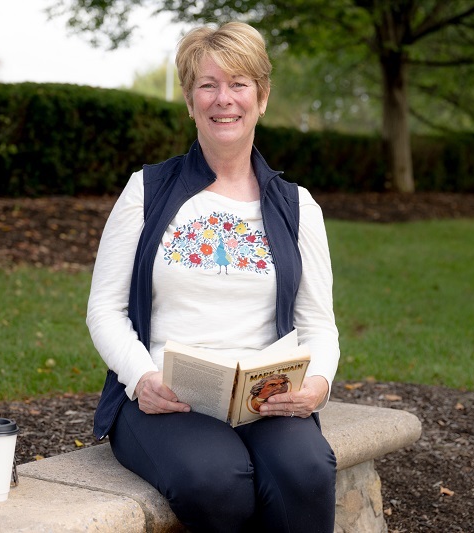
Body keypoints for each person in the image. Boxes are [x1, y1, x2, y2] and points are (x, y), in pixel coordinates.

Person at [86, 21, 340, 533]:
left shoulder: (297, 207)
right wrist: (141, 379)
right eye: (208, 85)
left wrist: (317, 386)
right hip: (165, 398)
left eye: (239, 84)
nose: (224, 99)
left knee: (308, 472)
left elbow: (320, 325)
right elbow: (105, 310)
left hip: (264, 399)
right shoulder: (147, 190)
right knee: (217, 478)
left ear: (261, 98)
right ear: (189, 100)